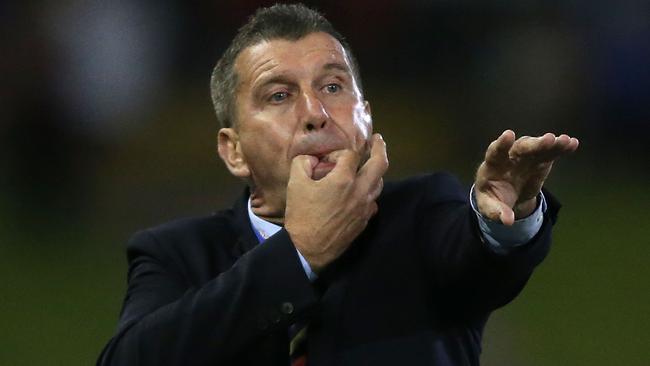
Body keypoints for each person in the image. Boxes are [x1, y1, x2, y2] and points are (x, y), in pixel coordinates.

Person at [97, 4, 579, 366]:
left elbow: (477, 258)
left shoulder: (420, 215)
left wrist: (503, 221)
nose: (315, 114)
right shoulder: (177, 253)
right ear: (234, 150)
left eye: (333, 87)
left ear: (366, 117)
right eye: (280, 95)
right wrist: (300, 252)